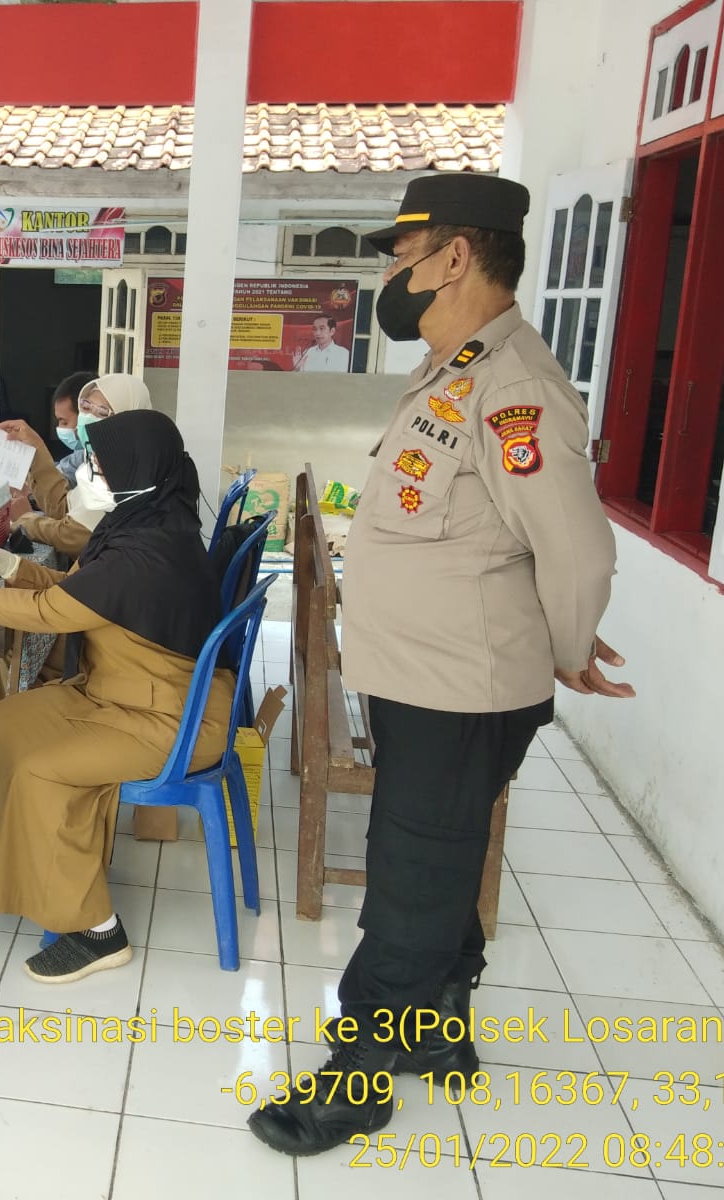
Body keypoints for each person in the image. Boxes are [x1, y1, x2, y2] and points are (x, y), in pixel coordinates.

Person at [248, 173, 631, 1157]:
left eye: (402, 254)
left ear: (454, 256)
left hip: (462, 687)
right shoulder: (454, 367)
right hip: (427, 676)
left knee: (413, 874)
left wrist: (567, 650)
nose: (391, 274)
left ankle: (359, 1078)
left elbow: (577, 551)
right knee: (442, 855)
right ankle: (439, 1030)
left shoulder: (514, 390)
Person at [0, 410, 228, 982]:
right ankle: (4, 858)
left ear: (134, 471)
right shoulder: (140, 523)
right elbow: (79, 592)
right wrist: (9, 566)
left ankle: (98, 931)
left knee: (45, 771)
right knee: (11, 718)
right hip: (123, 690)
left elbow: (52, 613)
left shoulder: (143, 552)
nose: (88, 474)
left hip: (169, 717)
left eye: (99, 465)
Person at [0, 373, 152, 558]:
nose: (87, 418)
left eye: (102, 412)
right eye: (86, 407)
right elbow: (64, 508)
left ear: (128, 418)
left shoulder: (129, 470)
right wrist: (35, 448)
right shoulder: (94, 462)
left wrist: (27, 521)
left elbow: (75, 536)